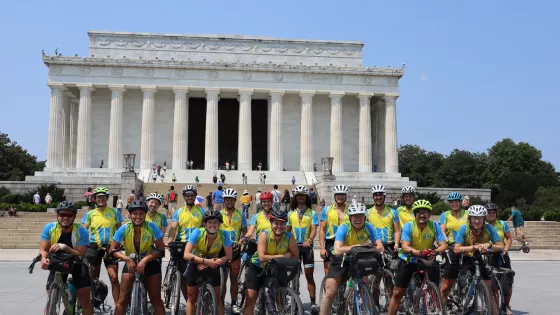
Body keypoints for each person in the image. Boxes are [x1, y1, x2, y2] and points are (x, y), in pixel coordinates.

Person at [319, 203, 384, 315]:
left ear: (365, 217)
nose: (358, 219)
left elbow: (380, 247)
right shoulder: (343, 227)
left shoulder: (369, 227)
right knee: (330, 292)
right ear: (350, 217)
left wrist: (367, 247)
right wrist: (358, 246)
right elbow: (338, 250)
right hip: (341, 258)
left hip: (359, 258)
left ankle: (369, 310)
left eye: (360, 216)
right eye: (355, 216)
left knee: (365, 284)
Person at [387, 200, 448, 315]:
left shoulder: (434, 225)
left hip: (427, 259)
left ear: (429, 215)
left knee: (435, 290)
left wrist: (435, 252)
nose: (422, 215)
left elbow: (444, 244)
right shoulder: (409, 226)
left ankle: (435, 308)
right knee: (398, 293)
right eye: (419, 212)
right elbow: (405, 247)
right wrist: (420, 253)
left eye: (425, 212)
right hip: (408, 259)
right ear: (415, 215)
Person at [110, 199, 166, 315]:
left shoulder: (152, 227)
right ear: (130, 215)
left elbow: (161, 250)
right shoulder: (124, 228)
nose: (138, 217)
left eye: (141, 214)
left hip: (150, 262)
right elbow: (112, 249)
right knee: (122, 300)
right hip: (131, 262)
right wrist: (127, 259)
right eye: (135, 214)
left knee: (156, 300)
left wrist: (146, 259)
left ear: (145, 215)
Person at [40, 201, 93, 315]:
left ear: (74, 217)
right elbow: (44, 249)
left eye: (69, 215)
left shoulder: (81, 231)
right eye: (62, 215)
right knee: (50, 301)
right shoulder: (49, 228)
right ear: (58, 216)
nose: (65, 218)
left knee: (85, 300)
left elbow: (80, 253)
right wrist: (43, 259)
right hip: (58, 262)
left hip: (77, 263)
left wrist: (65, 247)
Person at [242, 208, 298, 315]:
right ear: (271, 223)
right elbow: (262, 257)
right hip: (258, 267)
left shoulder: (289, 237)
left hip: (276, 269)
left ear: (285, 225)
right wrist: (283, 255)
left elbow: (295, 256)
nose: (279, 226)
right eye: (276, 223)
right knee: (251, 299)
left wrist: (287, 256)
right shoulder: (264, 235)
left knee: (279, 298)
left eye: (282, 223)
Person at [453, 205, 504, 315]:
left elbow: (500, 246)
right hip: (464, 256)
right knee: (449, 282)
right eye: (474, 218)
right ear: (469, 219)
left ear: (484, 219)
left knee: (488, 287)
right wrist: (473, 247)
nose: (477, 221)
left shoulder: (489, 228)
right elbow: (456, 249)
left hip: (478, 257)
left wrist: (489, 245)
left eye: (480, 218)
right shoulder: (464, 228)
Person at [184, 210, 233, 315]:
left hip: (214, 263)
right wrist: (205, 261)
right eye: (209, 222)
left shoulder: (224, 234)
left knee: (218, 299)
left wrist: (219, 261)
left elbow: (229, 255)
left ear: (219, 224)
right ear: (204, 224)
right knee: (191, 298)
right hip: (196, 262)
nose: (212, 225)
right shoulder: (197, 233)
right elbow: (186, 254)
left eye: (215, 222)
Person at [81, 186, 123, 306]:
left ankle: (118, 307)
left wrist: (122, 243)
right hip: (94, 247)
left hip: (110, 247)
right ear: (94, 199)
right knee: (93, 279)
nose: (101, 199)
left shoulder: (114, 212)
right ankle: (92, 305)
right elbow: (84, 231)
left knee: (114, 278)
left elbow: (120, 230)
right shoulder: (90, 214)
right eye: (98, 197)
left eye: (103, 197)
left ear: (107, 198)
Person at [166, 185, 206, 302]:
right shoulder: (178, 212)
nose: (189, 197)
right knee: (184, 278)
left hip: (197, 246)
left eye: (192, 195)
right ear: (184, 196)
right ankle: (189, 301)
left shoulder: (202, 211)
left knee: (198, 276)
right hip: (182, 245)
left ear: (195, 196)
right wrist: (169, 240)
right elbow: (173, 228)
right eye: (187, 195)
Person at [287, 185, 320, 313]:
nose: (300, 197)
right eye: (298, 195)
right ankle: (294, 300)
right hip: (294, 248)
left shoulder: (312, 213)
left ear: (306, 197)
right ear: (295, 198)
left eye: (302, 195)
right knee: (292, 276)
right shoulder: (290, 213)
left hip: (307, 248)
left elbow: (314, 229)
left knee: (309, 275)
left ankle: (313, 303)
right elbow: (288, 231)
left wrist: (309, 240)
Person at [220, 189, 248, 314]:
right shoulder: (219, 214)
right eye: (227, 199)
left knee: (234, 279)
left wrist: (243, 239)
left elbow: (245, 230)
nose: (229, 201)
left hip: (236, 249)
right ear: (224, 200)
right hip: (222, 250)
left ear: (235, 200)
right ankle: (220, 302)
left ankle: (233, 303)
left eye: (231, 199)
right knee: (222, 279)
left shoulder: (240, 215)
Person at [439, 192, 469, 304]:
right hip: (451, 246)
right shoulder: (445, 215)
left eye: (456, 201)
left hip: (465, 245)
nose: (454, 204)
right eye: (452, 202)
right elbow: (442, 231)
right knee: (449, 273)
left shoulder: (467, 213)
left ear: (460, 202)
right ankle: (444, 300)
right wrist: (445, 240)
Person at [486, 203, 515, 315]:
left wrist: (505, 249)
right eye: (489, 212)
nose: (491, 214)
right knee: (493, 284)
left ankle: (506, 306)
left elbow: (508, 238)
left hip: (501, 255)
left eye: (493, 212)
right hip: (488, 256)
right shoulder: (481, 224)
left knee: (507, 282)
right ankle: (496, 307)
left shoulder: (502, 224)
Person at [319, 184, 349, 274]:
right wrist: (321, 248)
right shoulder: (326, 210)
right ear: (335, 196)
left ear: (346, 196)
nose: (340, 197)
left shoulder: (350, 210)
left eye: (343, 195)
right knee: (328, 273)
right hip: (330, 242)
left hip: (346, 242)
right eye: (338, 194)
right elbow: (322, 230)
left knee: (346, 271)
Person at [367, 185, 401, 252]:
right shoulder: (367, 212)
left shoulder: (393, 212)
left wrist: (396, 244)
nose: (378, 197)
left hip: (390, 246)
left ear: (384, 196)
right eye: (376, 195)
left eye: (381, 195)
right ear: (373, 197)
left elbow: (397, 230)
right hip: (374, 246)